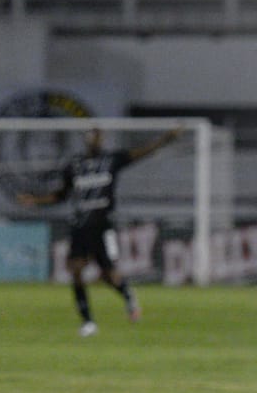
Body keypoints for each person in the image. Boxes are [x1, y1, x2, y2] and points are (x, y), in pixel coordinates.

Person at [18, 125, 184, 337]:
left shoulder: (111, 160)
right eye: (92, 137)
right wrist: (35, 200)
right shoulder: (75, 166)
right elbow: (61, 195)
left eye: (98, 137)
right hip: (80, 226)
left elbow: (141, 153)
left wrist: (165, 139)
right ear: (87, 140)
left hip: (103, 225)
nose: (95, 141)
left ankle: (127, 295)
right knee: (76, 270)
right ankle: (88, 322)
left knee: (108, 275)